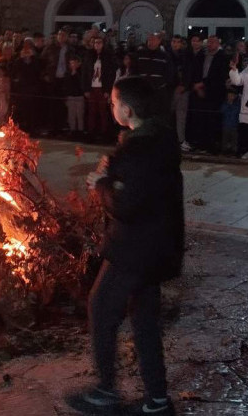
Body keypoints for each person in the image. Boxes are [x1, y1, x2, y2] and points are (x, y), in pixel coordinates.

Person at [66, 76, 183, 416]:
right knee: (145, 320)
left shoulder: (139, 150)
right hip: (156, 249)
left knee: (101, 308)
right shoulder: (157, 139)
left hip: (134, 250)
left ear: (127, 109)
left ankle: (106, 391)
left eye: (114, 101)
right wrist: (113, 172)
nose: (110, 106)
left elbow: (127, 205)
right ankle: (157, 401)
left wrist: (101, 184)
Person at [187, 34, 229, 153]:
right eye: (209, 42)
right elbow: (196, 71)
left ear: (218, 44)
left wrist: (203, 84)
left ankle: (212, 145)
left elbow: (219, 76)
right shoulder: (202, 56)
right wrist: (197, 87)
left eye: (213, 42)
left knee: (212, 120)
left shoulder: (222, 57)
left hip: (214, 93)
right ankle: (200, 143)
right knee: (200, 119)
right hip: (200, 92)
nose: (210, 44)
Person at [83, 34, 116, 142]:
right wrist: (86, 89)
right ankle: (91, 132)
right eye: (95, 43)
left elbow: (110, 74)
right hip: (92, 87)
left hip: (102, 87)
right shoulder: (89, 55)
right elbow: (85, 72)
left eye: (99, 43)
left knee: (102, 111)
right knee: (92, 111)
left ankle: (104, 133)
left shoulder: (107, 56)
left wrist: (107, 90)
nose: (97, 45)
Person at [63, 54, 86, 138]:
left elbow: (81, 83)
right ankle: (72, 130)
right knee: (71, 115)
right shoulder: (67, 73)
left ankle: (80, 131)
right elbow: (66, 85)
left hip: (79, 96)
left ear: (78, 63)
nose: (73, 65)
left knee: (79, 114)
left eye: (74, 63)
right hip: (71, 96)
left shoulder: (81, 73)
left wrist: (76, 74)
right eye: (71, 63)